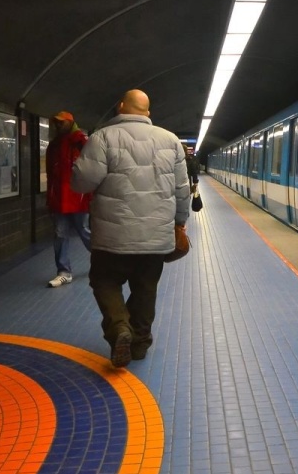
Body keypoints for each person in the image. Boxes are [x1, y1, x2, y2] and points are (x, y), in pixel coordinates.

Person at [72, 89, 191, 368]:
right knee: (145, 288)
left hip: (112, 237)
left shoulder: (102, 137)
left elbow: (81, 183)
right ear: (148, 113)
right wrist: (180, 221)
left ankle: (119, 329)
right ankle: (138, 344)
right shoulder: (171, 141)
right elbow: (182, 190)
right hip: (156, 237)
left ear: (121, 107)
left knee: (105, 281)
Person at [46, 111, 92, 287]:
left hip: (78, 196)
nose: (57, 126)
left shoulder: (81, 142)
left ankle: (102, 261)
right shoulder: (54, 145)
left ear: (69, 122)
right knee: (60, 234)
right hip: (59, 197)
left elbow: (90, 169)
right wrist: (50, 196)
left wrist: (90, 194)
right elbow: (51, 173)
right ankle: (63, 271)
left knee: (84, 231)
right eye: (55, 123)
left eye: (61, 122)